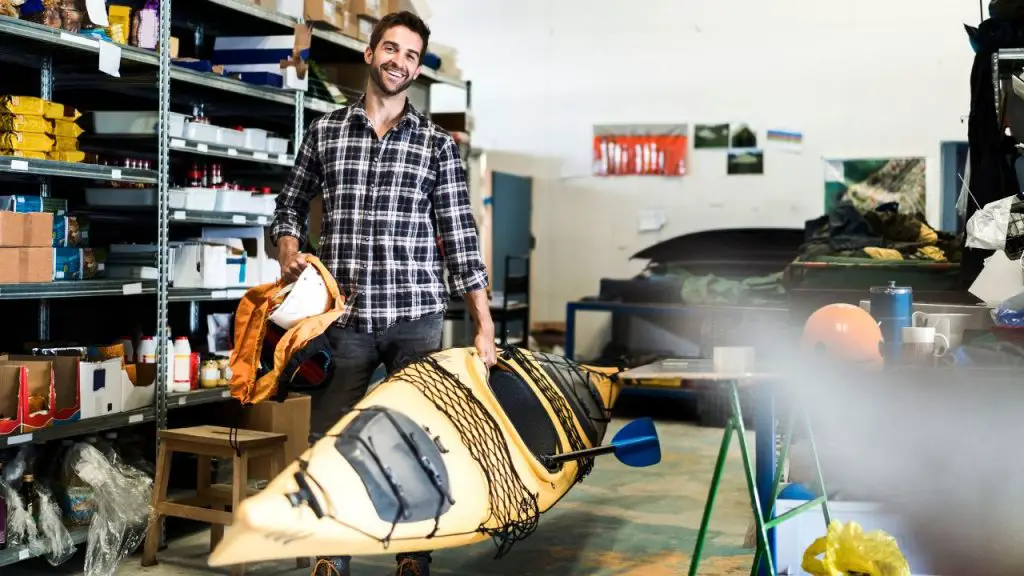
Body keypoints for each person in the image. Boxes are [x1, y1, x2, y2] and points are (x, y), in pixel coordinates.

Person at [269, 10, 497, 576]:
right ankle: (331, 555)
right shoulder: (325, 131)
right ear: (370, 54)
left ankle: (413, 556)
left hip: (415, 317)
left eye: (411, 55)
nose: (399, 61)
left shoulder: (436, 145)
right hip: (344, 319)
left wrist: (483, 322)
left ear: (417, 69)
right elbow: (290, 202)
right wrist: (288, 243)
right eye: (391, 49)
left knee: (417, 438)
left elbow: (459, 237)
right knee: (331, 439)